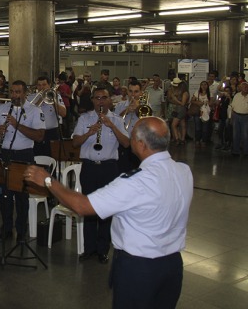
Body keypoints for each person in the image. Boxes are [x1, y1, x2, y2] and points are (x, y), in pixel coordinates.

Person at [24, 117, 193, 309]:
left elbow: (83, 206)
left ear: (140, 144)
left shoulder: (136, 182)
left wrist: (48, 181)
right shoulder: (183, 171)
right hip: (172, 265)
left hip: (139, 268)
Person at [72, 87, 129, 264]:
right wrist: (89, 132)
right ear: (92, 100)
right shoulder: (84, 119)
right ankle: (89, 248)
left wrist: (111, 126)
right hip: (89, 168)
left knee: (106, 210)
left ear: (109, 100)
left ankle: (103, 249)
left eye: (104, 98)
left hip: (109, 168)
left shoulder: (117, 119)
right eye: (97, 98)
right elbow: (74, 142)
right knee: (88, 209)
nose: (101, 101)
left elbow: (126, 143)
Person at [0, 80, 44, 241]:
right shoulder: (2, 109)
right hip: (5, 154)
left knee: (21, 196)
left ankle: (21, 231)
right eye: (12, 92)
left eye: (18, 92)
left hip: (24, 155)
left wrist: (17, 125)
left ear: (25, 93)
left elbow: (39, 136)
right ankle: (6, 229)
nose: (15, 95)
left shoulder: (34, 111)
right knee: (5, 195)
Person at [30, 76, 66, 157]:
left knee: (52, 157)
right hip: (36, 132)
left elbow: (64, 113)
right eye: (39, 85)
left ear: (49, 85)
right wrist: (40, 100)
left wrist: (52, 101)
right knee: (37, 158)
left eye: (44, 84)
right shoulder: (31, 97)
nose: (41, 87)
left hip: (52, 133)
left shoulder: (56, 96)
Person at [115, 80, 144, 172]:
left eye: (136, 91)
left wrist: (137, 109)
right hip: (123, 144)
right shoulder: (120, 105)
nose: (133, 94)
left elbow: (148, 124)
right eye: (130, 91)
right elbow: (114, 122)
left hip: (139, 144)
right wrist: (126, 110)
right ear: (127, 92)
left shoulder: (146, 106)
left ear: (141, 93)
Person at [190, 80, 214, 147]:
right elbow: (192, 100)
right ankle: (197, 139)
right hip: (198, 111)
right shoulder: (197, 92)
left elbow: (211, 102)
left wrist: (205, 103)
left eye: (205, 85)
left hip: (206, 112)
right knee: (197, 127)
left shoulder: (210, 93)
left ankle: (204, 140)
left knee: (205, 127)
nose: (204, 86)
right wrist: (197, 102)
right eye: (202, 85)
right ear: (200, 86)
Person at [167, 78, 189, 146]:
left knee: (173, 125)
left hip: (180, 109)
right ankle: (182, 139)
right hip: (178, 109)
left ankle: (177, 139)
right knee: (182, 124)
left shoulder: (185, 93)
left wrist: (175, 99)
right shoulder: (180, 92)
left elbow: (182, 103)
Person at [230, 81, 248, 157]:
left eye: (247, 87)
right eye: (244, 87)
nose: (246, 88)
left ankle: (246, 151)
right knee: (236, 134)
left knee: (245, 135)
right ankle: (235, 151)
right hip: (236, 115)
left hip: (245, 116)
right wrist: (231, 117)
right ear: (241, 88)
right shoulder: (237, 95)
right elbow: (232, 107)